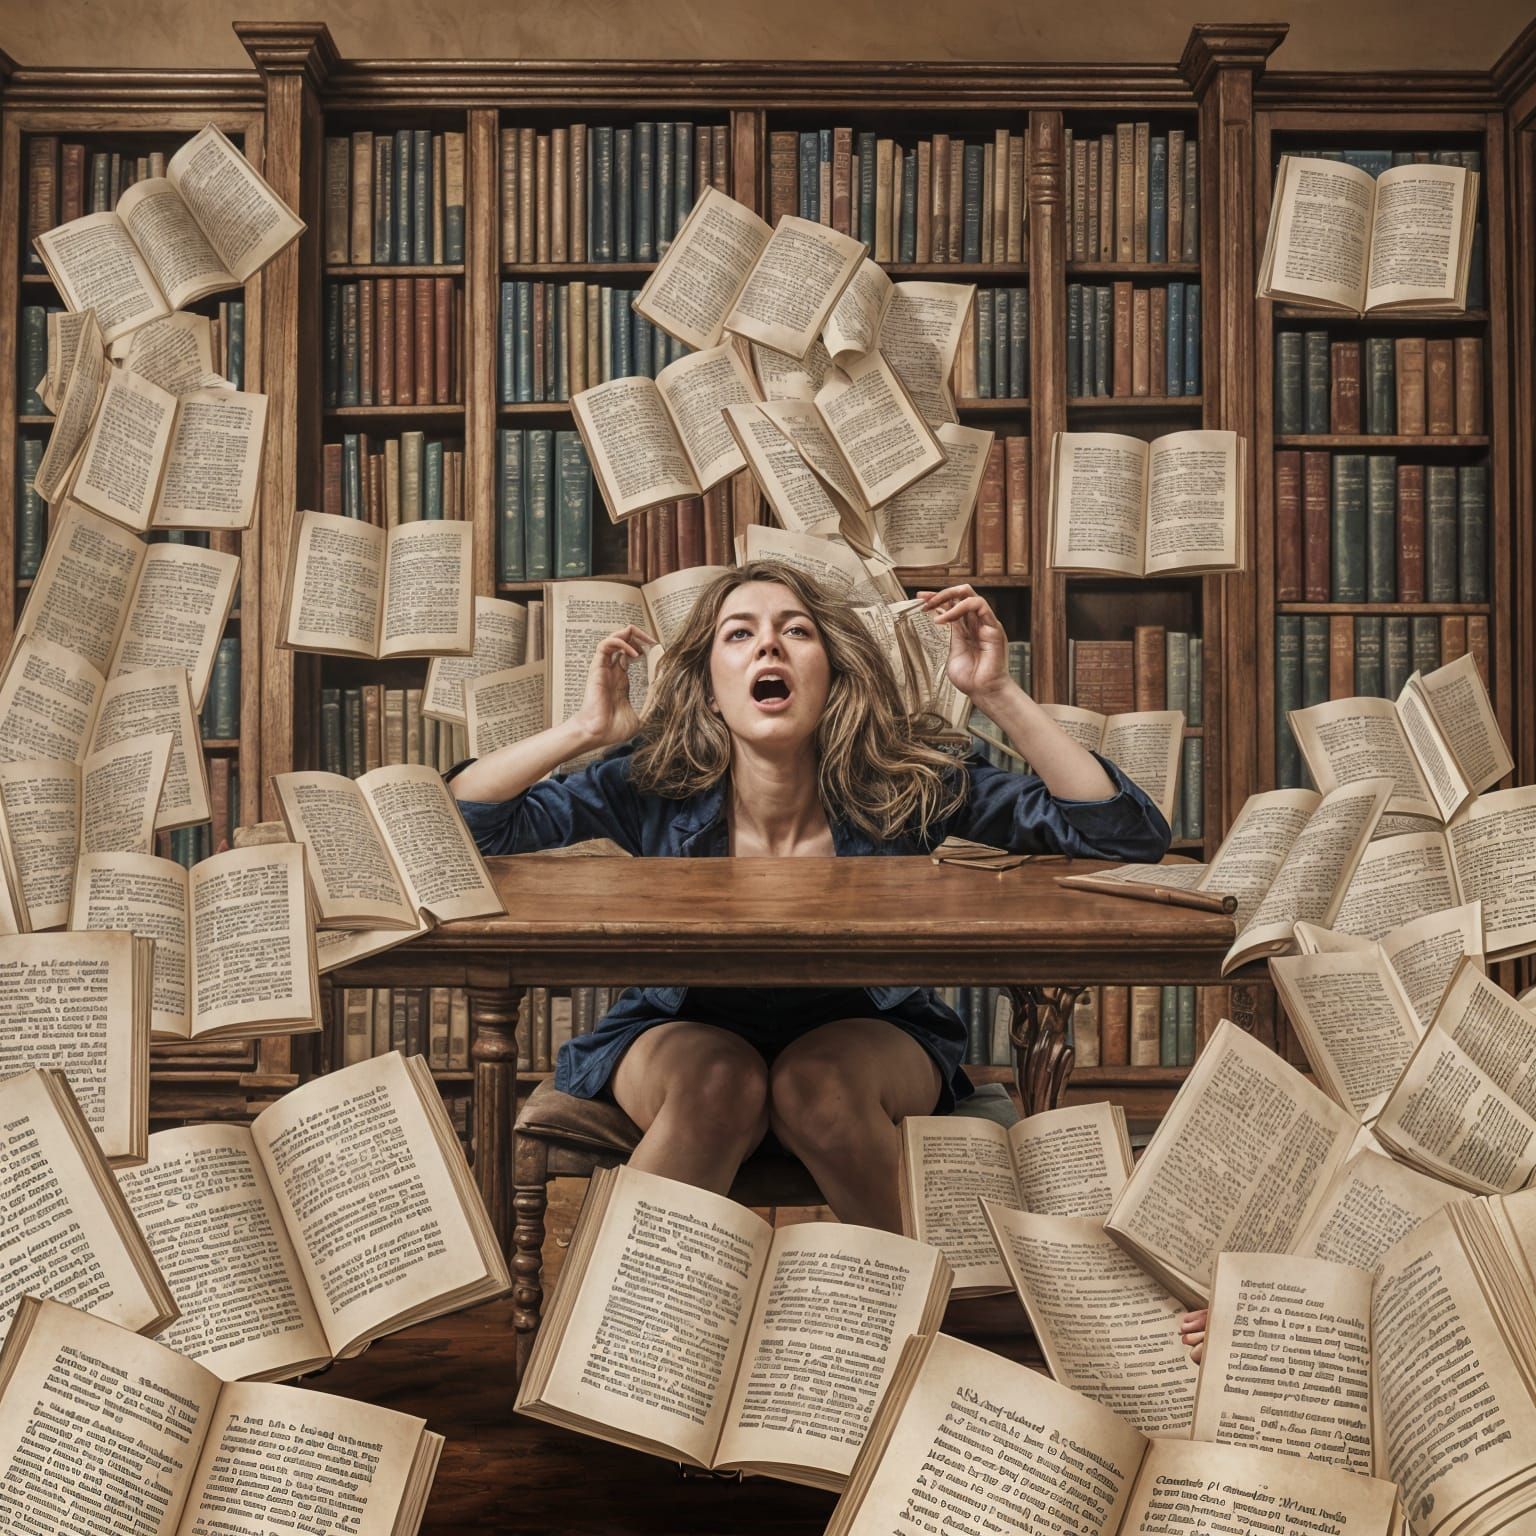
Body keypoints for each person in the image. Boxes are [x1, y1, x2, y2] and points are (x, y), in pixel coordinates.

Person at [448, 559, 1170, 1231]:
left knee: (813, 1081)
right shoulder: (649, 780)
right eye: (741, 635)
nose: (770, 648)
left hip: (871, 1032)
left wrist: (994, 692)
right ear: (707, 685)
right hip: (680, 1029)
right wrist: (585, 730)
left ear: (832, 672)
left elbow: (1119, 834)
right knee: (720, 1082)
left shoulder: (906, 777)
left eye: (796, 631)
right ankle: (619, 1342)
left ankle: (940, 1321)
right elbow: (461, 826)